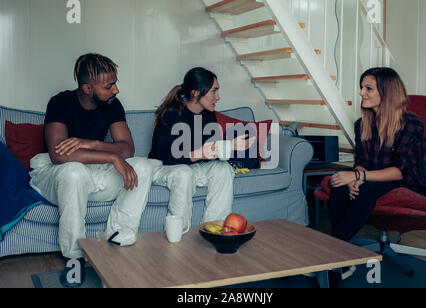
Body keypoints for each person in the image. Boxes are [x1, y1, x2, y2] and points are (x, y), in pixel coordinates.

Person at [29, 53, 160, 287]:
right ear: (88, 88)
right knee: (74, 172)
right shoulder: (60, 102)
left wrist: (96, 145)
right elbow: (59, 154)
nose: (116, 90)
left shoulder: (112, 105)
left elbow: (127, 148)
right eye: (109, 86)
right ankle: (74, 258)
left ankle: (118, 236)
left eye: (115, 83)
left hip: (96, 175)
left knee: (142, 166)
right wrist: (111, 155)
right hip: (60, 179)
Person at [148, 67, 256, 232]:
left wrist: (230, 148)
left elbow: (208, 153)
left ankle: (212, 229)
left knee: (223, 169)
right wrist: (199, 154)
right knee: (184, 173)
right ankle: (179, 232)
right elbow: (166, 158)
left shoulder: (207, 114)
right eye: (214, 91)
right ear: (196, 93)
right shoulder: (171, 114)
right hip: (165, 168)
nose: (218, 97)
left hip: (192, 166)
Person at [329, 67, 426, 244]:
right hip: (372, 179)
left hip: (404, 184)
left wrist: (359, 176)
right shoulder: (362, 124)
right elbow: (362, 160)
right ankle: (339, 257)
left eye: (368, 88)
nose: (361, 93)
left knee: (365, 190)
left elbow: (401, 172)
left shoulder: (411, 124)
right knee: (339, 184)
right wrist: (354, 179)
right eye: (362, 87)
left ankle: (333, 252)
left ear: (387, 92)